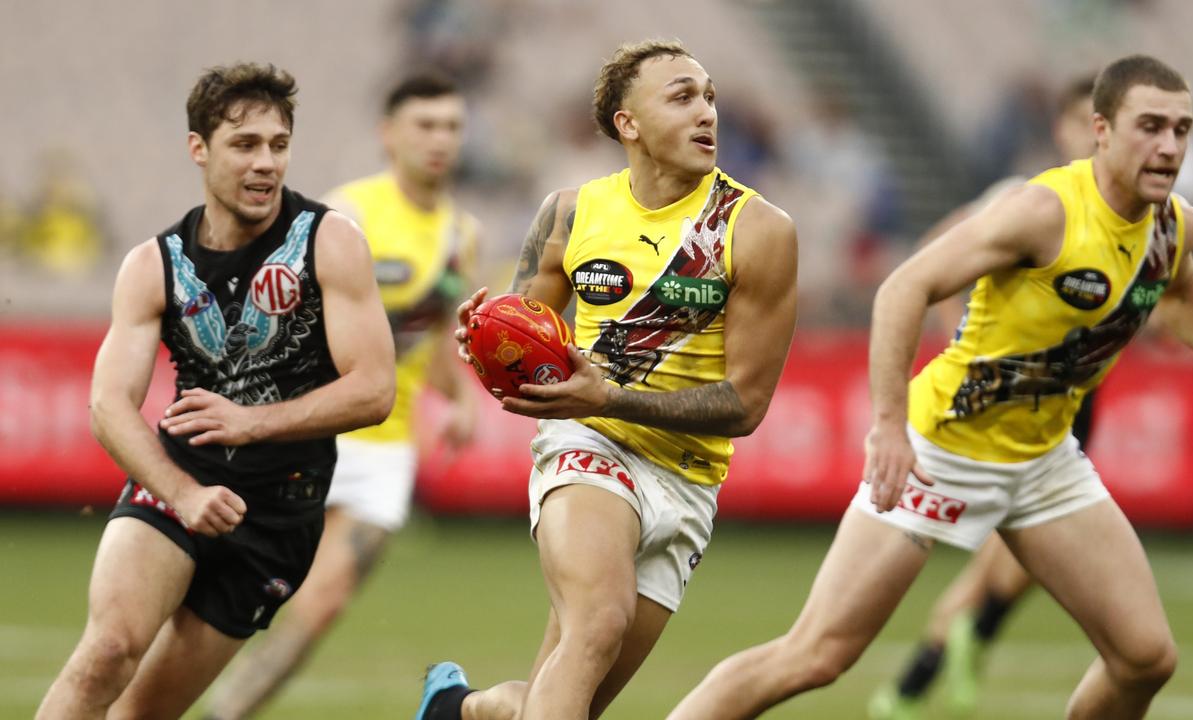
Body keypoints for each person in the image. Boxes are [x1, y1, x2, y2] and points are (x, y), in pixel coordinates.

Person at [669, 54, 1193, 720]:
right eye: (1151, 126)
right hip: (942, 452)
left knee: (1145, 657)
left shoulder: (1174, 223)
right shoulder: (1041, 212)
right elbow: (905, 286)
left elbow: (1178, 283)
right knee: (815, 656)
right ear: (1101, 130)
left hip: (1044, 463)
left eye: (1182, 130)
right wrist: (889, 426)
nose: (1169, 146)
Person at [415, 39, 798, 720]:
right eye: (681, 96)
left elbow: (747, 403)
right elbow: (515, 342)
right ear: (628, 124)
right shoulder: (569, 214)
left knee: (565, 702)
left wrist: (611, 392)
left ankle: (461, 709)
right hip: (588, 445)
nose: (707, 111)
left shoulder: (759, 230)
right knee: (598, 623)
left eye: (709, 96)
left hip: (687, 480)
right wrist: (480, 339)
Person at [35, 62, 396, 720]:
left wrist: (252, 423)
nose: (265, 164)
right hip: (180, 479)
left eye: (278, 145)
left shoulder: (329, 242)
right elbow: (107, 405)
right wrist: (184, 493)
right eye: (245, 145)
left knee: (142, 713)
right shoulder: (153, 264)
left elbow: (375, 391)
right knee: (108, 653)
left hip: (280, 512)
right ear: (198, 149)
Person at [206, 69, 480, 720]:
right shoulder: (346, 214)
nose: (440, 140)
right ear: (389, 134)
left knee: (321, 605)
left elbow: (433, 337)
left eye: (451, 126)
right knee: (237, 590)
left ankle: (224, 716)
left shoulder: (461, 234)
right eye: (425, 125)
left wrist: (461, 399)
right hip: (308, 428)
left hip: (385, 446)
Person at [869, 74, 1100, 720]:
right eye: (1084, 122)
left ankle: (935, 664)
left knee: (1021, 552)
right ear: (1064, 129)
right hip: (997, 394)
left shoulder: (1128, 213)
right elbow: (925, 259)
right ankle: (949, 650)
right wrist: (953, 331)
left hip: (1071, 397)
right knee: (987, 544)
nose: (1095, 137)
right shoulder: (1026, 199)